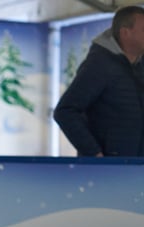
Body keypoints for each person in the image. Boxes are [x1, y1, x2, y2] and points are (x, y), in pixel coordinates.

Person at [54, 5, 144, 156]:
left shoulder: (140, 65)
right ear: (125, 33)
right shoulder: (100, 65)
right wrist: (94, 153)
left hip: (136, 168)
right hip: (109, 170)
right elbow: (65, 111)